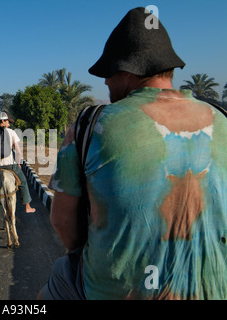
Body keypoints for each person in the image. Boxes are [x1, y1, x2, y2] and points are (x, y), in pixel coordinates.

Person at [40, 7, 227, 300]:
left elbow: (62, 221)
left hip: (113, 291)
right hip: (215, 289)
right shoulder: (221, 117)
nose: (105, 82)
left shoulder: (91, 125)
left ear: (127, 70)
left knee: (56, 283)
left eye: (108, 73)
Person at [0, 112, 35, 214]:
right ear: (3, 121)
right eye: (8, 121)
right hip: (9, 165)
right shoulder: (11, 132)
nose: (9, 123)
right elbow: (18, 151)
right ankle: (27, 206)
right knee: (23, 181)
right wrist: (18, 163)